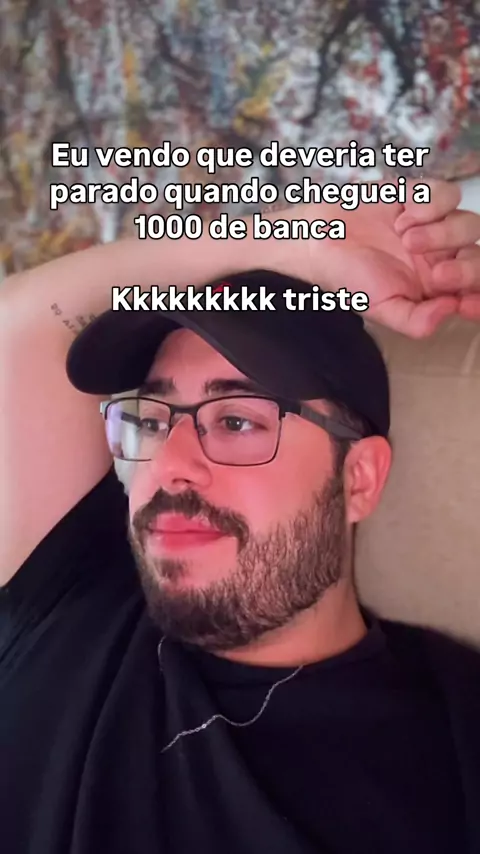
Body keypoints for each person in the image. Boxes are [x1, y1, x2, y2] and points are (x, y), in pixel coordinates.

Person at [1, 183, 480, 854]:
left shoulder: (454, 734)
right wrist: (298, 240)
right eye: (153, 419)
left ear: (359, 478)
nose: (168, 467)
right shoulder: (75, 601)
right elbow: (22, 325)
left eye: (236, 421)